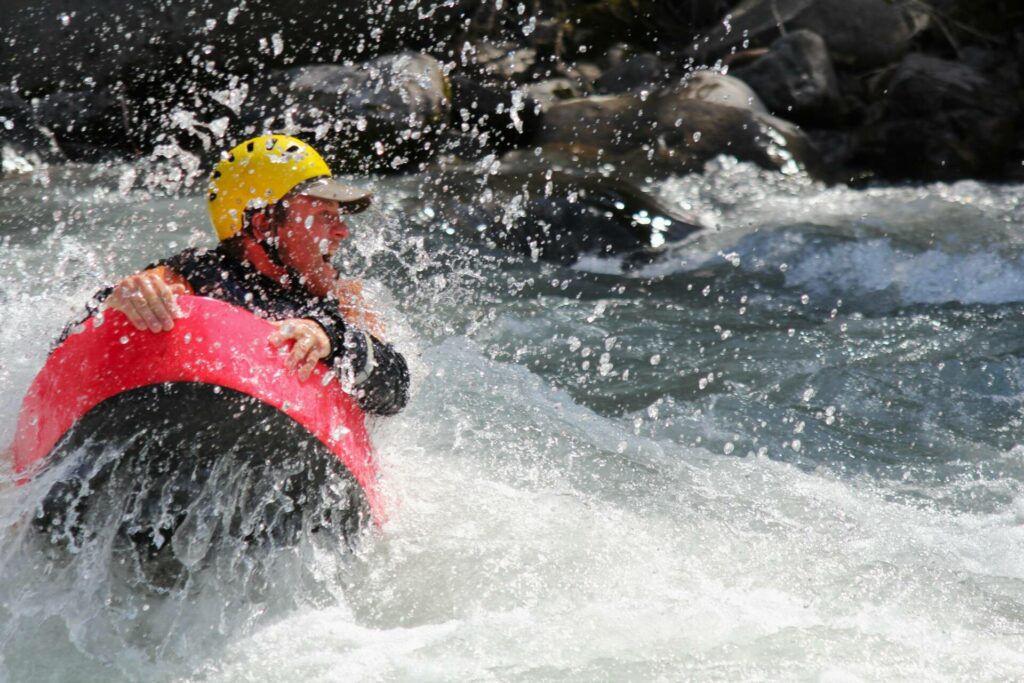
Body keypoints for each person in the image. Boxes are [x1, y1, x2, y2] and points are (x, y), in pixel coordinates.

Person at [91, 134, 408, 415]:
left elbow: (394, 393)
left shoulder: (343, 299)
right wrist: (122, 300)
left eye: (337, 217)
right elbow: (79, 337)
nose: (342, 231)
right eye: (324, 215)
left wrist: (334, 340)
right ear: (263, 226)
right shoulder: (194, 278)